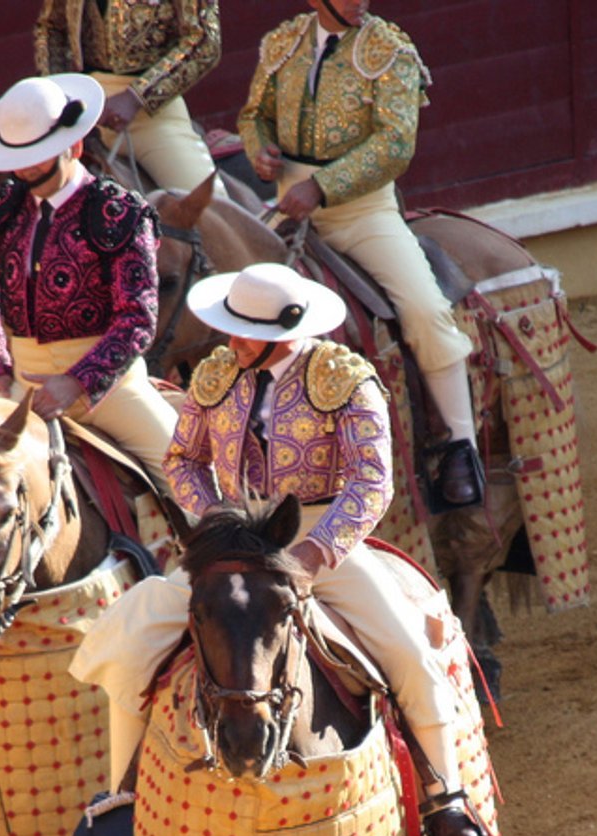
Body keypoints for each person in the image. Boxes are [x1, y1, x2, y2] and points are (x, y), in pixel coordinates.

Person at [69, 262, 487, 836]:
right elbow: (183, 459)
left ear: (288, 331)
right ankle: (121, 799)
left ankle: (445, 797)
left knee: (409, 654)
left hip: (316, 539)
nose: (232, 340)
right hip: (234, 540)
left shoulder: (347, 378)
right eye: (231, 327)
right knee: (129, 631)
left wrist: (315, 552)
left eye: (246, 332)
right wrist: (216, 519)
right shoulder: (216, 373)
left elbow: (372, 482)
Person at [238, 0, 485, 510]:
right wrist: (259, 148)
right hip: (289, 205)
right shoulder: (282, 44)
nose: (361, 1)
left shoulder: (389, 49)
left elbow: (395, 143)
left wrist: (323, 187)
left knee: (425, 308)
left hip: (362, 214)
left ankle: (462, 446)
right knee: (234, 302)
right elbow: (254, 114)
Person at [0, 73, 176, 477]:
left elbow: (137, 319)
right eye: (16, 159)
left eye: (36, 157)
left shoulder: (120, 212)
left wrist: (77, 381)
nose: (23, 171)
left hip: (113, 391)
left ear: (73, 146)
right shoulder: (0, 213)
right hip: (23, 389)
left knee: (189, 479)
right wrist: (0, 372)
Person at [34, 0, 223, 195]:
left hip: (150, 117)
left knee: (207, 206)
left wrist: (136, 97)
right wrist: (58, 96)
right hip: (81, 107)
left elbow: (205, 42)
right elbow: (53, 28)